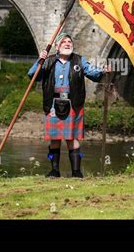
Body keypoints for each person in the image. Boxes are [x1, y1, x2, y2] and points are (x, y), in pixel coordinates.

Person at [28, 32, 110, 178]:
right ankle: (54, 170)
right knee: (54, 139)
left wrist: (103, 71)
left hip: (73, 103)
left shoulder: (79, 60)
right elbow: (32, 75)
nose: (67, 44)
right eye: (64, 42)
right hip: (52, 103)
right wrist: (40, 59)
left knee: (73, 138)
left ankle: (76, 172)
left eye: (69, 42)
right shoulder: (49, 61)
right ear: (57, 47)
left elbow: (93, 73)